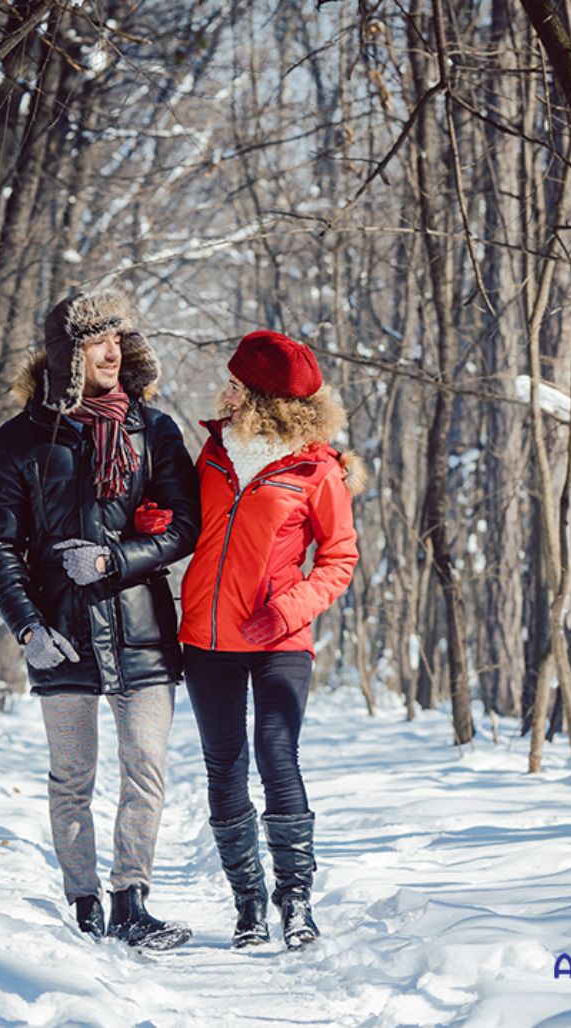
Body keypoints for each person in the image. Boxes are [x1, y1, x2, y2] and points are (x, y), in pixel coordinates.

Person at [0, 287, 199, 950]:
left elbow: (187, 525)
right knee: (71, 777)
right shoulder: (21, 438)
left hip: (141, 629)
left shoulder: (152, 428)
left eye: (119, 338)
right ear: (65, 353)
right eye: (97, 339)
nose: (113, 350)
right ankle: (83, 906)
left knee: (145, 769)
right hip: (61, 632)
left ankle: (132, 901)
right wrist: (27, 626)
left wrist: (115, 560)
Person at [179, 330, 364, 951]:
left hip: (280, 638)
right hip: (206, 637)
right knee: (224, 767)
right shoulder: (211, 454)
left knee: (277, 755)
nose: (223, 389)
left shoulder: (316, 469)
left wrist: (288, 610)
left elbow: (339, 559)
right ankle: (248, 907)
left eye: (235, 382)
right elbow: (186, 527)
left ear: (260, 397)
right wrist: (158, 521)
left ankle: (297, 904)